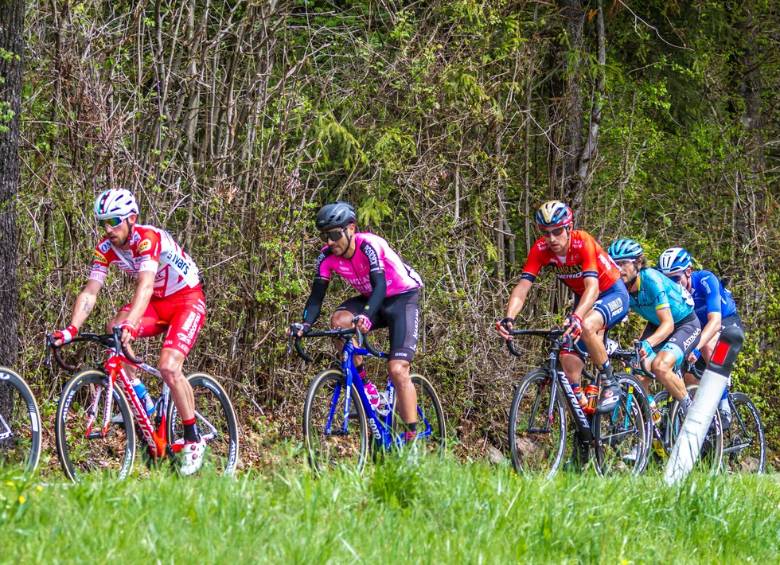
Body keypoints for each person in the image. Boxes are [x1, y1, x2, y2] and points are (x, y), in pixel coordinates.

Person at [51, 188, 207, 475]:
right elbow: (90, 291)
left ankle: (192, 438)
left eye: (114, 221)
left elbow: (145, 285)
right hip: (158, 304)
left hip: (186, 300)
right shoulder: (105, 248)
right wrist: (71, 329)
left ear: (132, 218)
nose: (108, 229)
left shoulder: (147, 239)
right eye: (103, 223)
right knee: (113, 328)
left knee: (169, 368)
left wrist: (133, 324)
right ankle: (145, 404)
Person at [290, 202, 423, 440]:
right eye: (325, 235)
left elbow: (380, 285)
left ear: (351, 228)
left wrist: (367, 316)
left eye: (334, 234)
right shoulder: (326, 256)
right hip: (371, 298)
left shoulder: (369, 245)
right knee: (339, 322)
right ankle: (368, 388)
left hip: (401, 298)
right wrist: (305, 325)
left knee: (397, 369)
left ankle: (411, 440)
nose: (329, 242)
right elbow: (316, 297)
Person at [496, 200, 630, 413]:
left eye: (557, 231)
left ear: (569, 227)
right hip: (584, 298)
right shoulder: (540, 249)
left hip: (611, 293)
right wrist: (509, 317)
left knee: (585, 325)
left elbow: (592, 288)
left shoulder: (582, 241)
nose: (551, 238)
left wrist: (577, 317)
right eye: (546, 232)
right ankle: (583, 416)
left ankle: (610, 380)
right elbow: (523, 287)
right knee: (567, 359)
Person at [607, 239, 701, 412]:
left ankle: (692, 411)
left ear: (638, 263)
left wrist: (648, 344)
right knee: (638, 374)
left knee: (660, 366)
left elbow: (668, 324)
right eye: (613, 264)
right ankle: (652, 421)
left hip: (684, 324)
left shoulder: (651, 279)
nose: (618, 269)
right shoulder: (618, 286)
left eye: (623, 263)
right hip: (657, 324)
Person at [658, 246, 743, 423]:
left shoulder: (705, 279)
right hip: (699, 328)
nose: (672, 284)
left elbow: (715, 322)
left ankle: (724, 403)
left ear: (688, 271)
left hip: (726, 321)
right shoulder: (671, 293)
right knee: (689, 379)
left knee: (706, 344)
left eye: (675, 278)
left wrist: (695, 348)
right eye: (667, 280)